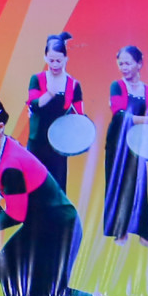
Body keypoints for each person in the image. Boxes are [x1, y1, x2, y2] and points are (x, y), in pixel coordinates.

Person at [0, 96, 107, 296]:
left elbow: (15, 215)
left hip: (60, 227)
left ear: (0, 127)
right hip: (38, 225)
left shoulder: (11, 165)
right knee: (6, 267)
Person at [103, 45, 148, 248]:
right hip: (117, 143)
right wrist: (147, 121)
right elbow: (119, 115)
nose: (124, 67)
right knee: (118, 184)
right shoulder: (117, 86)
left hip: (138, 144)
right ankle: (119, 234)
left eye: (128, 63)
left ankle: (144, 236)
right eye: (121, 63)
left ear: (139, 64)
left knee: (139, 186)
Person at [25, 33, 86, 189]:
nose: (55, 64)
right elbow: (34, 104)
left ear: (66, 59)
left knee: (57, 188)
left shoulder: (73, 84)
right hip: (37, 143)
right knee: (33, 187)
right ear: (45, 57)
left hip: (58, 146)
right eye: (51, 60)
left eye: (59, 60)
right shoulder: (37, 79)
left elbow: (78, 115)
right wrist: (50, 94)